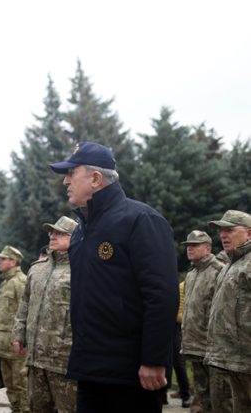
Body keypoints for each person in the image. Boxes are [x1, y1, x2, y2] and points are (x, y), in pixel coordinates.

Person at [49, 141, 179, 413]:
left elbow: (161, 296)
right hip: (91, 369)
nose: (65, 181)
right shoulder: (81, 232)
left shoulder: (141, 220)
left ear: (95, 178)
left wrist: (154, 360)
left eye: (72, 173)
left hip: (130, 373)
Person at [12, 216, 79, 413]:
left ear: (75, 237)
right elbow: (25, 303)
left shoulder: (82, 268)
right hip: (36, 357)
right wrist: (18, 333)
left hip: (65, 360)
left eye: (59, 233)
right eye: (51, 232)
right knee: (38, 408)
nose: (52, 236)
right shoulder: (37, 268)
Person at [205, 210, 251, 413]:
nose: (223, 235)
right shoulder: (228, 266)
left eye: (230, 230)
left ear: (249, 233)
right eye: (221, 230)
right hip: (229, 359)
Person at [180, 230, 227, 412]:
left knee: (219, 400)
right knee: (202, 396)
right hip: (194, 346)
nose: (189, 249)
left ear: (207, 249)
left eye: (194, 245)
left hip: (211, 349)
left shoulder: (219, 271)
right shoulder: (192, 273)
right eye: (188, 246)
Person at [0, 245, 30, 413]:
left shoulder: (21, 282)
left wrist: (22, 339)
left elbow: (27, 312)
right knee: (11, 388)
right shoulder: (6, 282)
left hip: (17, 348)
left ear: (13, 261)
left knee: (22, 387)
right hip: (4, 347)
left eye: (2, 258)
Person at [163, 279, 191, 408]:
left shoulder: (180, 286)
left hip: (175, 327)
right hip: (162, 326)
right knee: (164, 361)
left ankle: (186, 396)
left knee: (178, 363)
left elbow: (181, 312)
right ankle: (162, 394)